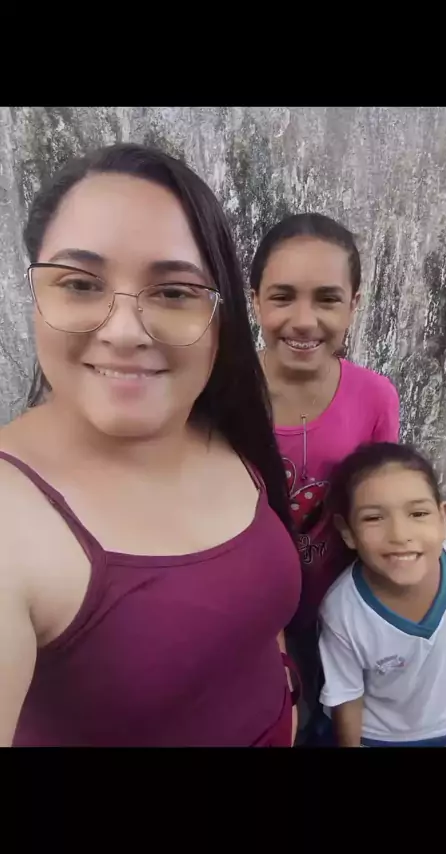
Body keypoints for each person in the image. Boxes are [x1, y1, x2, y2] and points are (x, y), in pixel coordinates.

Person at [0, 143, 302, 747]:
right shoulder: (13, 522)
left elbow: (258, 618)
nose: (123, 331)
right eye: (80, 284)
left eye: (173, 292)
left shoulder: (216, 423)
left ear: (218, 314)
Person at [250, 213, 400, 738]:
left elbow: (380, 504)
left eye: (328, 299)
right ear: (255, 301)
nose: (304, 320)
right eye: (282, 296)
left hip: (334, 613)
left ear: (353, 305)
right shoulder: (220, 393)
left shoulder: (374, 397)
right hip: (244, 615)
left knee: (324, 724)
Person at [319, 442, 446, 747]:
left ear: (442, 517)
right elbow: (347, 697)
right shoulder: (342, 611)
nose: (400, 535)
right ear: (347, 531)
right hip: (379, 737)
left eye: (418, 513)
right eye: (373, 518)